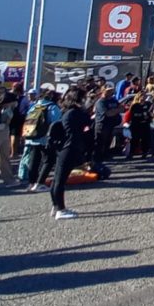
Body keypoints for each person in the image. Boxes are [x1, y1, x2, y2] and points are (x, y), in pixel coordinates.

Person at [50, 87, 90, 219]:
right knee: (60, 180)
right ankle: (60, 209)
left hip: (65, 147)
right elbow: (86, 123)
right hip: (70, 147)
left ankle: (56, 206)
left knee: (58, 178)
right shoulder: (74, 113)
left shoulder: (67, 111)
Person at [26, 91, 65, 192]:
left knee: (34, 160)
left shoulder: (35, 105)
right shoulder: (52, 107)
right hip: (45, 138)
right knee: (49, 159)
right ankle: (40, 183)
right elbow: (56, 122)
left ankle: (31, 183)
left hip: (32, 136)